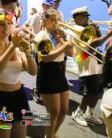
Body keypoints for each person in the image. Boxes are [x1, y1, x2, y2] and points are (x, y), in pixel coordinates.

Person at [0, 10, 37, 138]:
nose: (6, 27)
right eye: (2, 24)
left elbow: (33, 71)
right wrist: (12, 46)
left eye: (9, 23)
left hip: (20, 97)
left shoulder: (18, 48)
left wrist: (27, 52)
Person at [69, 6, 112, 127]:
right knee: (88, 92)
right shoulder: (76, 29)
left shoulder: (86, 28)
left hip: (95, 61)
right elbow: (93, 44)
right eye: (85, 17)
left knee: (97, 91)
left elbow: (96, 40)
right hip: (85, 62)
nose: (87, 19)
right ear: (77, 17)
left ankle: (89, 113)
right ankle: (78, 113)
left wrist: (97, 30)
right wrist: (109, 35)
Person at [34, 8, 74, 138]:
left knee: (63, 110)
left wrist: (63, 40)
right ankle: (50, 135)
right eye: (52, 20)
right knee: (53, 112)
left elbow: (70, 53)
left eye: (57, 19)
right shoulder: (41, 36)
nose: (56, 22)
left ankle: (51, 134)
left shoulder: (59, 34)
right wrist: (63, 45)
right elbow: (46, 57)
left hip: (60, 70)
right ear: (45, 21)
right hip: (47, 72)